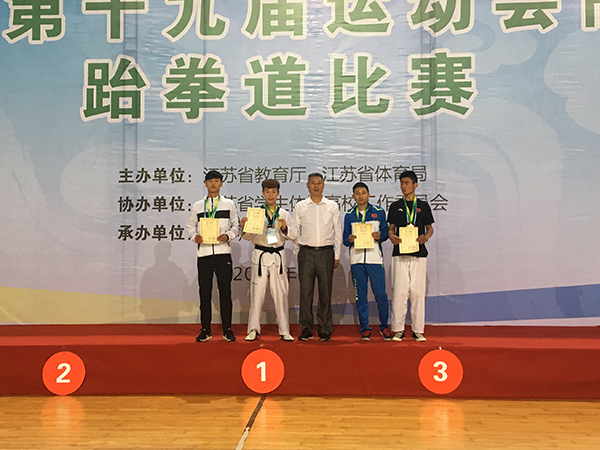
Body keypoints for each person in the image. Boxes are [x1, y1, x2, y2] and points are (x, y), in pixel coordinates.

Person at [187, 170, 239, 342]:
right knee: (205, 293)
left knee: (225, 292)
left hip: (223, 253)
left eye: (217, 181)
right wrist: (195, 237)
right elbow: (190, 226)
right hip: (204, 254)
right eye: (210, 181)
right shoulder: (197, 206)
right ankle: (205, 329)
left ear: (221, 184)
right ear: (206, 184)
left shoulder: (229, 204)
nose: (213, 184)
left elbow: (236, 226)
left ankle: (227, 329)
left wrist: (228, 236)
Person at [241, 179, 296, 342]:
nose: (270, 195)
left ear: (278, 194)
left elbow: (294, 235)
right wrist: (244, 227)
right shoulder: (256, 214)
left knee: (281, 294)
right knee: (256, 295)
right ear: (263, 193)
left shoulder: (284, 214)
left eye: (273, 192)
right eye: (267, 192)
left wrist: (285, 228)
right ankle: (253, 329)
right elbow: (247, 237)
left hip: (278, 256)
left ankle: (284, 330)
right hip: (260, 255)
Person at [293, 173, 342, 341]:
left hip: (326, 253)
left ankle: (324, 329)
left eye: (319, 183)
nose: (316, 186)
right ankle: (306, 329)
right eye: (312, 183)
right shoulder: (300, 206)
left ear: (323, 185)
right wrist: (298, 253)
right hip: (306, 252)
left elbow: (338, 232)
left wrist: (337, 255)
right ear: (307, 186)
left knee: (325, 292)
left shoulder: (332, 206)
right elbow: (295, 232)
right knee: (305, 293)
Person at [387, 171, 434, 342]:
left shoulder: (423, 206)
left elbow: (430, 228)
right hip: (400, 253)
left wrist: (426, 237)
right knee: (399, 292)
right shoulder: (395, 206)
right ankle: (398, 329)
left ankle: (418, 330)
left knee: (417, 292)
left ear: (415, 185)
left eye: (406, 183)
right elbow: (391, 228)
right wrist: (391, 236)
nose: (403, 186)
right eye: (401, 183)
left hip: (418, 254)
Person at [343, 182, 392, 341]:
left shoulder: (378, 212)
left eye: (363, 192)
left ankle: (384, 326)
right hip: (357, 261)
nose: (361, 196)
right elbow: (344, 239)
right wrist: (350, 239)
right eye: (357, 193)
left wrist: (380, 236)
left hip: (374, 259)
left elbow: (386, 232)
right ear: (353, 196)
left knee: (381, 294)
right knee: (361, 297)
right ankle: (365, 328)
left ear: (368, 194)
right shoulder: (349, 215)